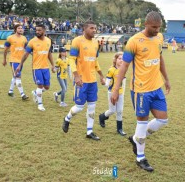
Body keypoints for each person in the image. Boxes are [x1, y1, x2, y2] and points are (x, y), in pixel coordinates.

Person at [111, 11, 171, 172]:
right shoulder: (134, 41)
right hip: (141, 90)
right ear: (146, 24)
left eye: (159, 27)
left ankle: (136, 139)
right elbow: (124, 66)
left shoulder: (159, 38)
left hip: (156, 87)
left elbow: (160, 59)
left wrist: (166, 78)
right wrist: (116, 89)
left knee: (163, 120)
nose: (157, 30)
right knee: (142, 123)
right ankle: (140, 157)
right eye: (154, 27)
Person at [62, 20, 106, 141]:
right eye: (91, 28)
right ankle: (67, 118)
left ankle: (89, 131)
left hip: (92, 80)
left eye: (95, 28)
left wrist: (101, 75)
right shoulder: (77, 41)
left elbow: (95, 61)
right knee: (80, 107)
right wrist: (76, 75)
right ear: (84, 29)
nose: (94, 30)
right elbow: (71, 59)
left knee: (92, 106)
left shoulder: (96, 43)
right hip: (81, 79)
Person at [15, 24, 56, 111]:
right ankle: (40, 104)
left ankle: (35, 92)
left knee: (47, 87)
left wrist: (53, 65)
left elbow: (49, 53)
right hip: (36, 68)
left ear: (44, 31)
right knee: (40, 86)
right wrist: (20, 65)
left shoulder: (48, 41)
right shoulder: (32, 41)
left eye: (39, 30)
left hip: (46, 67)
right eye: (36, 30)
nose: (37, 32)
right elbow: (26, 54)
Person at [99, 52, 127, 136]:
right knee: (112, 110)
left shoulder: (124, 68)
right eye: (119, 58)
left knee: (120, 111)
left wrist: (122, 92)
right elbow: (107, 84)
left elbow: (124, 82)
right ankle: (102, 117)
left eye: (123, 58)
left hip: (121, 93)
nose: (121, 60)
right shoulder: (111, 70)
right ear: (115, 60)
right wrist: (103, 82)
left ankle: (119, 129)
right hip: (112, 93)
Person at [3, 24, 29, 100]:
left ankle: (10, 91)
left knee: (15, 76)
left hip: (21, 61)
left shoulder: (24, 38)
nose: (21, 29)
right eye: (19, 28)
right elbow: (5, 50)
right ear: (15, 29)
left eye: (21, 28)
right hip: (13, 60)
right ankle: (22, 94)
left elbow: (26, 49)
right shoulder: (10, 38)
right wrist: (4, 59)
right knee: (18, 76)